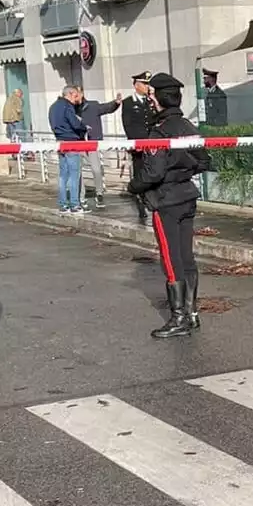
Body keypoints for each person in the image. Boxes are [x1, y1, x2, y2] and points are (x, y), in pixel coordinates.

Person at [128, 72, 212, 339]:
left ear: (161, 99)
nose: (150, 101)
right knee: (187, 256)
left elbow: (152, 173)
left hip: (166, 200)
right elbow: (204, 160)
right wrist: (183, 169)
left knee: (170, 258)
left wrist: (133, 186)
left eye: (152, 96)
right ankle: (192, 313)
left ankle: (178, 318)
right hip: (187, 196)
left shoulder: (160, 131)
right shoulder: (188, 126)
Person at [76, 87, 122, 210]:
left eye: (78, 93)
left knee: (96, 169)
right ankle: (81, 196)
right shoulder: (71, 108)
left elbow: (106, 108)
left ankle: (99, 193)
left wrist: (116, 103)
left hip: (92, 142)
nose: (76, 96)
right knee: (78, 171)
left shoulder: (92, 105)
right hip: (78, 143)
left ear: (82, 94)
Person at [47, 86, 88, 215]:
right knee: (74, 175)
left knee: (63, 175)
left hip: (59, 141)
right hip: (71, 141)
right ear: (70, 94)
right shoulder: (67, 106)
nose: (77, 98)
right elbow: (75, 124)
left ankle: (63, 204)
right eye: (76, 95)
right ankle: (75, 204)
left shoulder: (53, 107)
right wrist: (84, 127)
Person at [121, 71, 153, 226]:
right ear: (136, 85)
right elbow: (128, 125)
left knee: (153, 172)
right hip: (139, 147)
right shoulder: (129, 102)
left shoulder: (151, 101)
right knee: (140, 173)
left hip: (152, 145)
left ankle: (151, 199)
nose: (147, 87)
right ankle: (141, 203)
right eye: (144, 83)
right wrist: (135, 144)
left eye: (148, 83)